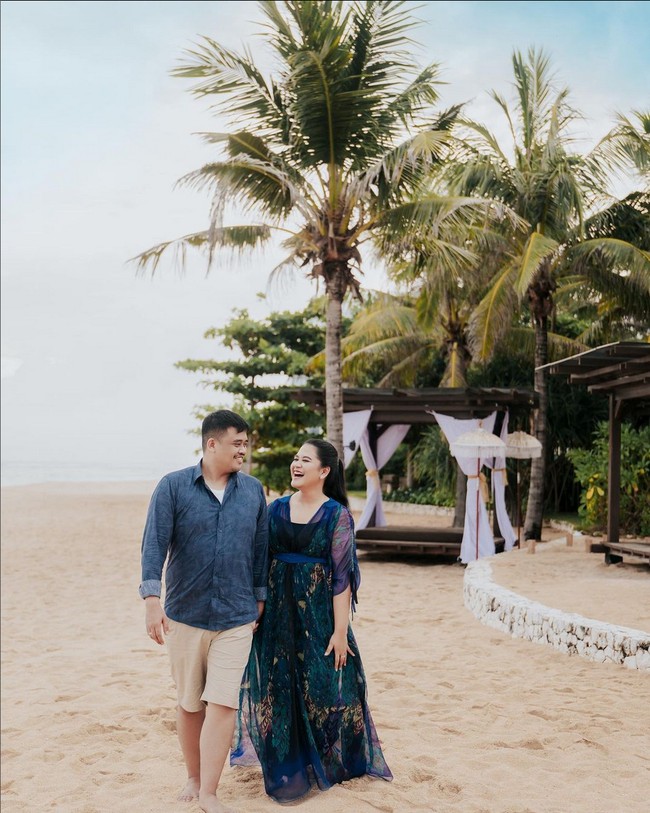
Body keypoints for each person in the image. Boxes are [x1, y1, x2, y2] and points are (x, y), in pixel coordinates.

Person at [231, 438, 393, 802]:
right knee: (277, 685)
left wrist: (340, 632)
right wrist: (256, 608)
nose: (296, 464)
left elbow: (342, 578)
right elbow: (261, 562)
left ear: (324, 471)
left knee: (323, 683)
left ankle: (332, 758)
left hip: (318, 615)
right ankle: (288, 762)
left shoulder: (337, 516)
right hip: (276, 615)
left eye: (305, 460)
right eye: (295, 457)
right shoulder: (276, 509)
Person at [139, 410, 268, 813]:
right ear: (212, 444)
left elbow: (260, 549)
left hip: (236, 616)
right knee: (190, 702)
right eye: (237, 443)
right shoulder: (173, 486)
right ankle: (193, 778)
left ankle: (210, 792)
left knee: (224, 702)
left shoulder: (253, 491)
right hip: (185, 614)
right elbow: (154, 545)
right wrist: (151, 600)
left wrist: (259, 600)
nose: (244, 450)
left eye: (246, 444)